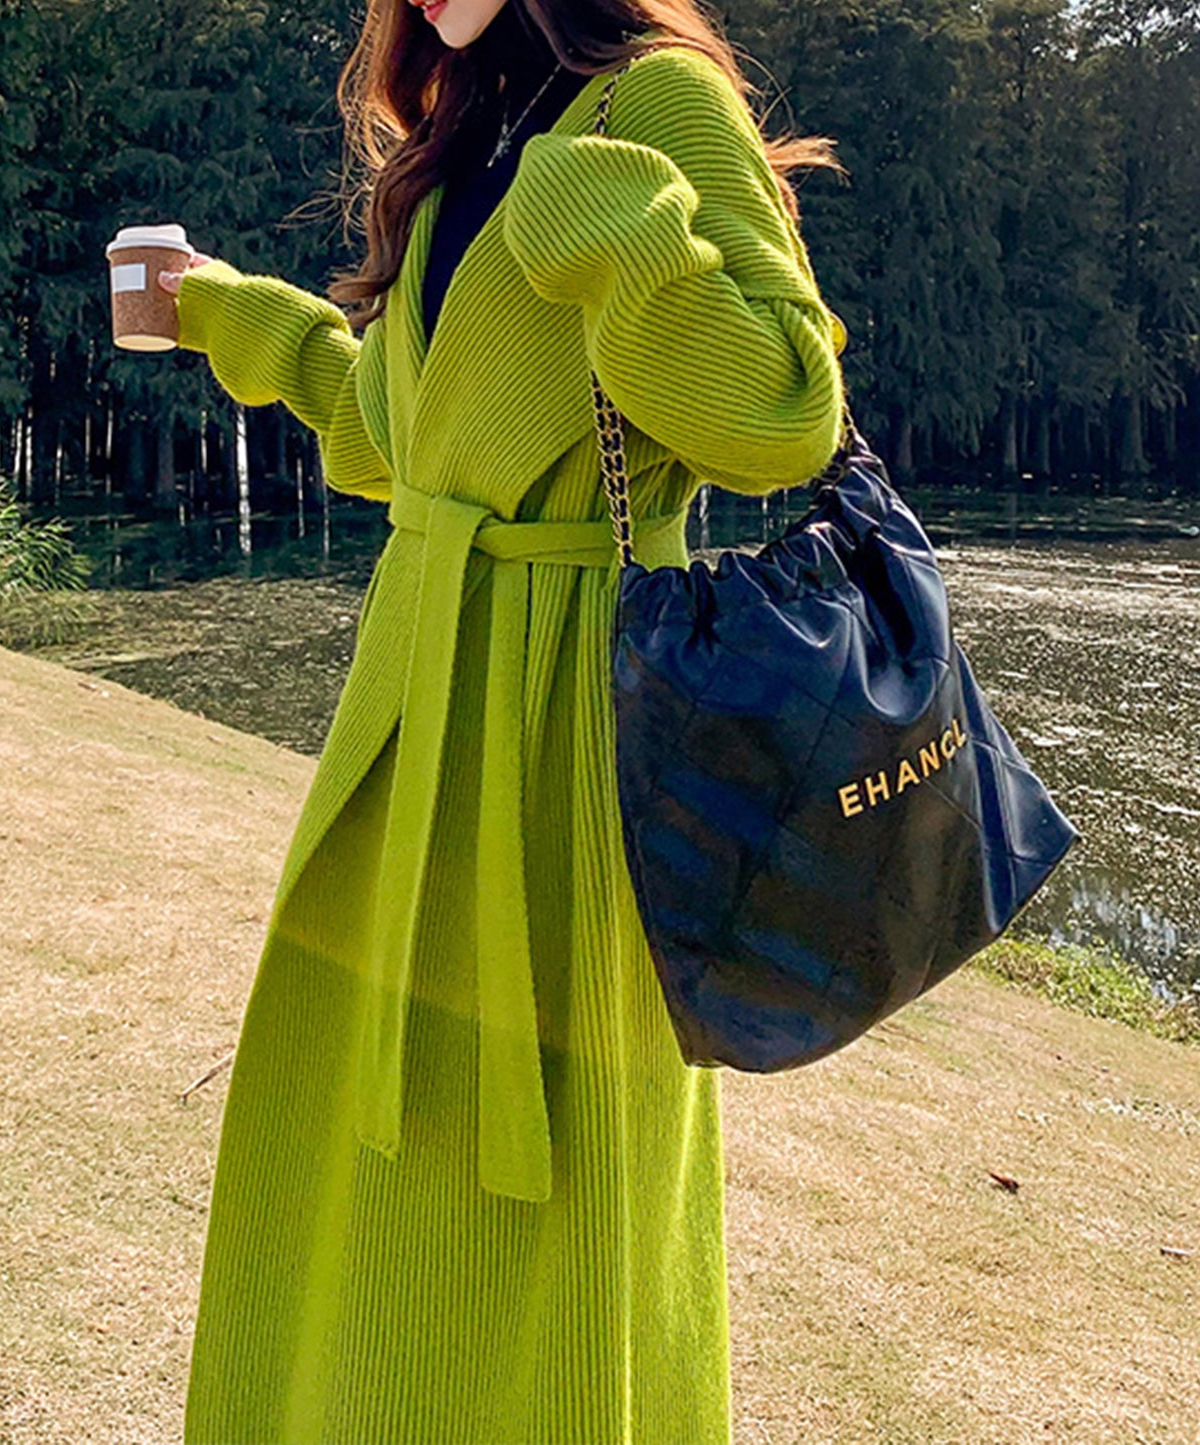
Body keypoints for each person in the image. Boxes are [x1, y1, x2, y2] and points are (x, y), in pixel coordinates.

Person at [159, 0, 848, 1439]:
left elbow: (782, 415)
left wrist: (615, 227)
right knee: (361, 1149)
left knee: (560, 1190)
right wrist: (226, 311)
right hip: (418, 703)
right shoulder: (464, 129)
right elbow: (404, 441)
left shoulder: (655, 102)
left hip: (572, 725)